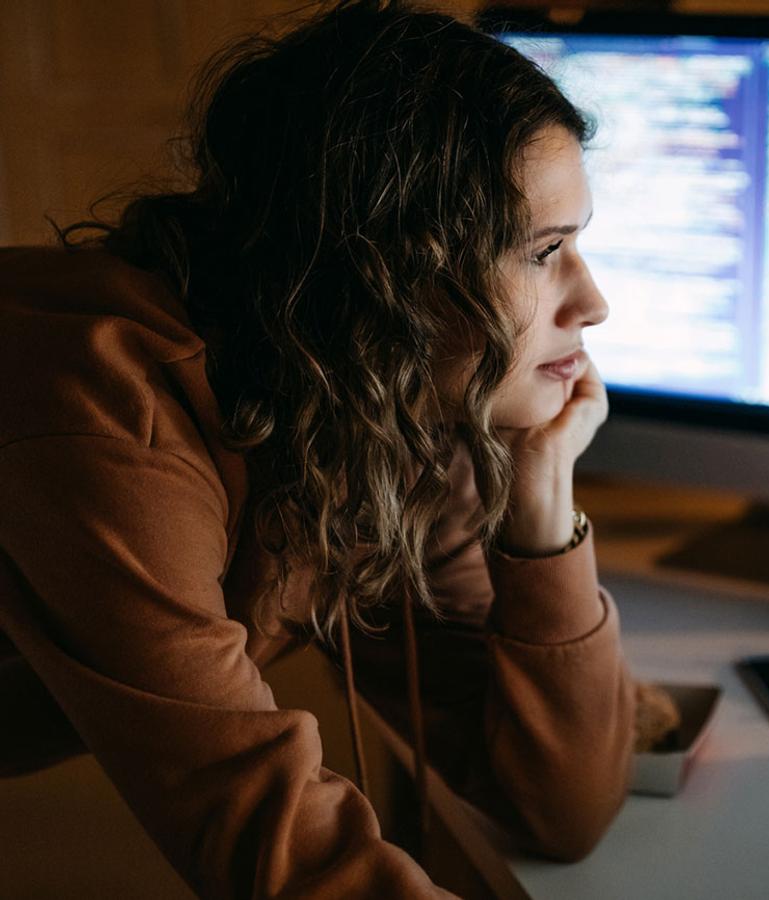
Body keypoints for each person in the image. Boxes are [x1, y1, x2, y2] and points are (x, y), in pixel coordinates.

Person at [0, 2, 644, 896]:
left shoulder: (393, 408)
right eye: (542, 252)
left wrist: (541, 502)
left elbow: (560, 809)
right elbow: (275, 848)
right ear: (382, 272)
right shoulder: (110, 418)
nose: (594, 302)